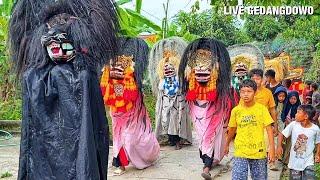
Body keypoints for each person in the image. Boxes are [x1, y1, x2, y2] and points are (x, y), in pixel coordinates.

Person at [9, 0, 118, 179]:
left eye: (63, 44)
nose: (58, 50)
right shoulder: (34, 76)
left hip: (77, 151)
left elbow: (92, 126)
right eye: (52, 44)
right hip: (43, 155)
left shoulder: (84, 75)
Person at [178, 38, 238, 179]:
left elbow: (224, 85)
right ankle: (209, 159)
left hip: (215, 106)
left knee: (210, 135)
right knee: (202, 134)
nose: (201, 66)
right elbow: (186, 79)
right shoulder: (191, 70)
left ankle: (206, 166)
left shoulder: (218, 73)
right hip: (197, 106)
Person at [100, 37, 160, 175]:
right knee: (118, 135)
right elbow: (104, 87)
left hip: (133, 110)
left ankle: (146, 154)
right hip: (116, 111)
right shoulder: (108, 68)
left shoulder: (133, 72)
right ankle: (119, 162)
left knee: (131, 137)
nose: (118, 67)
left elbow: (133, 90)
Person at [225, 79, 275, 180]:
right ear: (240, 93)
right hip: (240, 150)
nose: (245, 94)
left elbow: (269, 129)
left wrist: (272, 149)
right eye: (243, 92)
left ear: (255, 92)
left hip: (259, 151)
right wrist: (226, 144)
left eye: (249, 91)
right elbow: (232, 129)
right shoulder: (236, 111)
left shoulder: (262, 109)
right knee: (238, 178)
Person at [149, 37, 192, 150]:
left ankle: (177, 140)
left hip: (178, 104)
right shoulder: (162, 82)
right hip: (166, 104)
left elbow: (184, 88)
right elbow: (161, 94)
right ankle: (171, 140)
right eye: (166, 68)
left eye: (171, 67)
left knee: (177, 120)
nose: (168, 69)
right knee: (166, 121)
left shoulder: (180, 80)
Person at [276, 104, 320, 179]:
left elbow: (318, 142)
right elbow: (281, 134)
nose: (295, 114)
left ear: (306, 117)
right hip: (294, 163)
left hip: (309, 162)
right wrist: (279, 146)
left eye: (298, 112)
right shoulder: (293, 125)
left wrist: (317, 154)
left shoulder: (315, 129)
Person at [247, 68, 278, 170]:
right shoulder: (247, 92)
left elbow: (273, 110)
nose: (256, 81)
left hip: (265, 123)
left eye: (258, 78)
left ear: (262, 79)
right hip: (251, 124)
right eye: (253, 79)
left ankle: (271, 161)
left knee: (268, 142)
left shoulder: (267, 92)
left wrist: (276, 126)